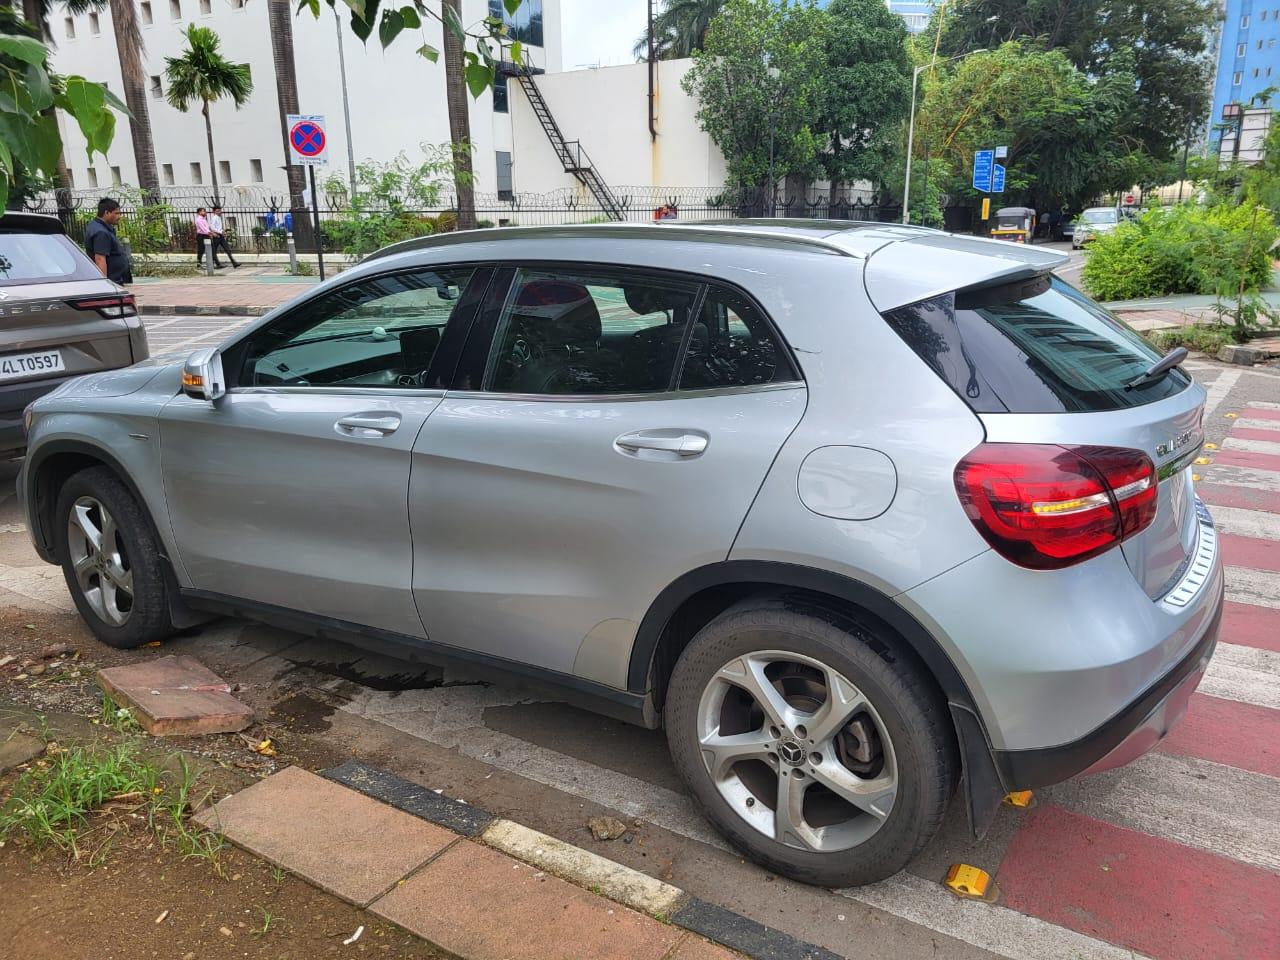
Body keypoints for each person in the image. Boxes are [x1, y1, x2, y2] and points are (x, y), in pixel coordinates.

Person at [84, 197, 131, 284]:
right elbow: (100, 259)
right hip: (112, 281)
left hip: (115, 279)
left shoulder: (99, 227)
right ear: (106, 213)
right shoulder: (101, 232)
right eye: (116, 213)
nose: (119, 217)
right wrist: (104, 284)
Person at [209, 204, 239, 269]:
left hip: (220, 236)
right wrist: (221, 232)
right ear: (214, 212)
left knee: (227, 249)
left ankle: (234, 263)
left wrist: (223, 231)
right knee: (214, 251)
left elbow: (218, 227)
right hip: (216, 236)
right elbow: (212, 228)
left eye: (220, 210)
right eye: (217, 211)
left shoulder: (218, 218)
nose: (219, 212)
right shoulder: (214, 218)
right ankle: (215, 264)